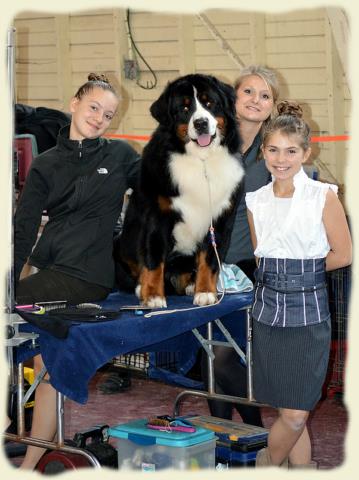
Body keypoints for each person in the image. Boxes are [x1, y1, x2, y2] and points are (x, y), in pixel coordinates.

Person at [14, 73, 140, 469]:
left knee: (16, 314)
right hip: (52, 269)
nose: (100, 118)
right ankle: (30, 464)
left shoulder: (120, 155)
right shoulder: (47, 164)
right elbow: (22, 228)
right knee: (51, 374)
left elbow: (158, 185)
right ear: (73, 104)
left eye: (108, 114)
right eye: (93, 108)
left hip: (88, 277)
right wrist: (7, 280)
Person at [246, 100, 352, 467]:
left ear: (307, 152)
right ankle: (303, 470)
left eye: (291, 151)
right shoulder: (255, 201)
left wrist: (301, 274)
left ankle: (265, 464)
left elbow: (344, 254)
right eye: (273, 150)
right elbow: (261, 256)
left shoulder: (322, 196)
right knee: (290, 412)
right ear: (263, 152)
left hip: (308, 316)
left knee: (295, 414)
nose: (281, 159)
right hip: (266, 315)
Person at [201, 65, 279, 426]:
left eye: (265, 95)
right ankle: (224, 441)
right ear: (234, 97)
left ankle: (255, 433)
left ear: (272, 105)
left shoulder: (275, 152)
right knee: (211, 353)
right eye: (248, 92)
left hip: (250, 268)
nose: (255, 100)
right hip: (207, 264)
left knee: (225, 356)